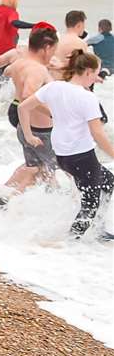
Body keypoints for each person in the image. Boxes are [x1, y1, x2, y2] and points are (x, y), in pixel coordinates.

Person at [18, 50, 113, 238]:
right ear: (87, 71)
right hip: (83, 157)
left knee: (109, 183)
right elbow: (97, 133)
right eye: (96, 74)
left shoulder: (54, 87)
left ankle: (98, 229)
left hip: (63, 156)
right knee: (89, 206)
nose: (96, 78)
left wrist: (29, 136)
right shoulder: (88, 98)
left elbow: (23, 107)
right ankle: (70, 245)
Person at [0, 25, 59, 199]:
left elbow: (8, 71)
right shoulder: (37, 69)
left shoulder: (20, 63)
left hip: (26, 128)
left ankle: (4, 195)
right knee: (44, 170)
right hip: (40, 132)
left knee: (37, 170)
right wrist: (53, 114)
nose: (53, 55)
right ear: (46, 48)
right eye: (53, 50)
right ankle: (7, 201)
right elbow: (27, 95)